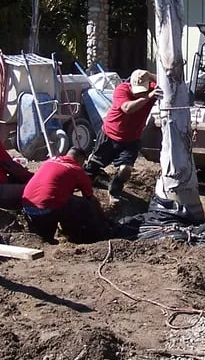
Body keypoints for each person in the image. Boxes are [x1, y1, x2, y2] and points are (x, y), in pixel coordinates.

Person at [85, 68, 162, 199]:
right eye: (137, 91)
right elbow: (127, 108)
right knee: (93, 168)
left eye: (143, 90)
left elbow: (167, 82)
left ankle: (114, 190)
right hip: (109, 135)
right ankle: (87, 180)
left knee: (126, 169)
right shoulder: (122, 90)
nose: (139, 94)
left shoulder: (152, 89)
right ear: (131, 84)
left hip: (131, 139)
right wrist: (147, 97)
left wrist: (149, 75)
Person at [22, 147, 96, 241]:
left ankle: (51, 233)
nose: (82, 165)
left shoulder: (50, 161)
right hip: (45, 209)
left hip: (27, 206)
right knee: (82, 204)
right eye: (82, 162)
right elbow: (89, 197)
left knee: (63, 198)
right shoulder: (76, 169)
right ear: (78, 158)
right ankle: (73, 235)